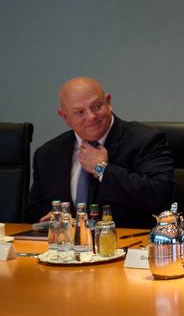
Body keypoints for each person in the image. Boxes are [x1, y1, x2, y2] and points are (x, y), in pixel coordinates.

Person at [25, 77, 174, 229]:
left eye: (97, 106)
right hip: (67, 242)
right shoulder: (48, 153)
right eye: (79, 112)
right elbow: (33, 209)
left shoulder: (145, 140)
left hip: (126, 240)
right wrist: (52, 216)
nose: (91, 116)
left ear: (108, 102)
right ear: (65, 117)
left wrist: (102, 169)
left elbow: (160, 196)